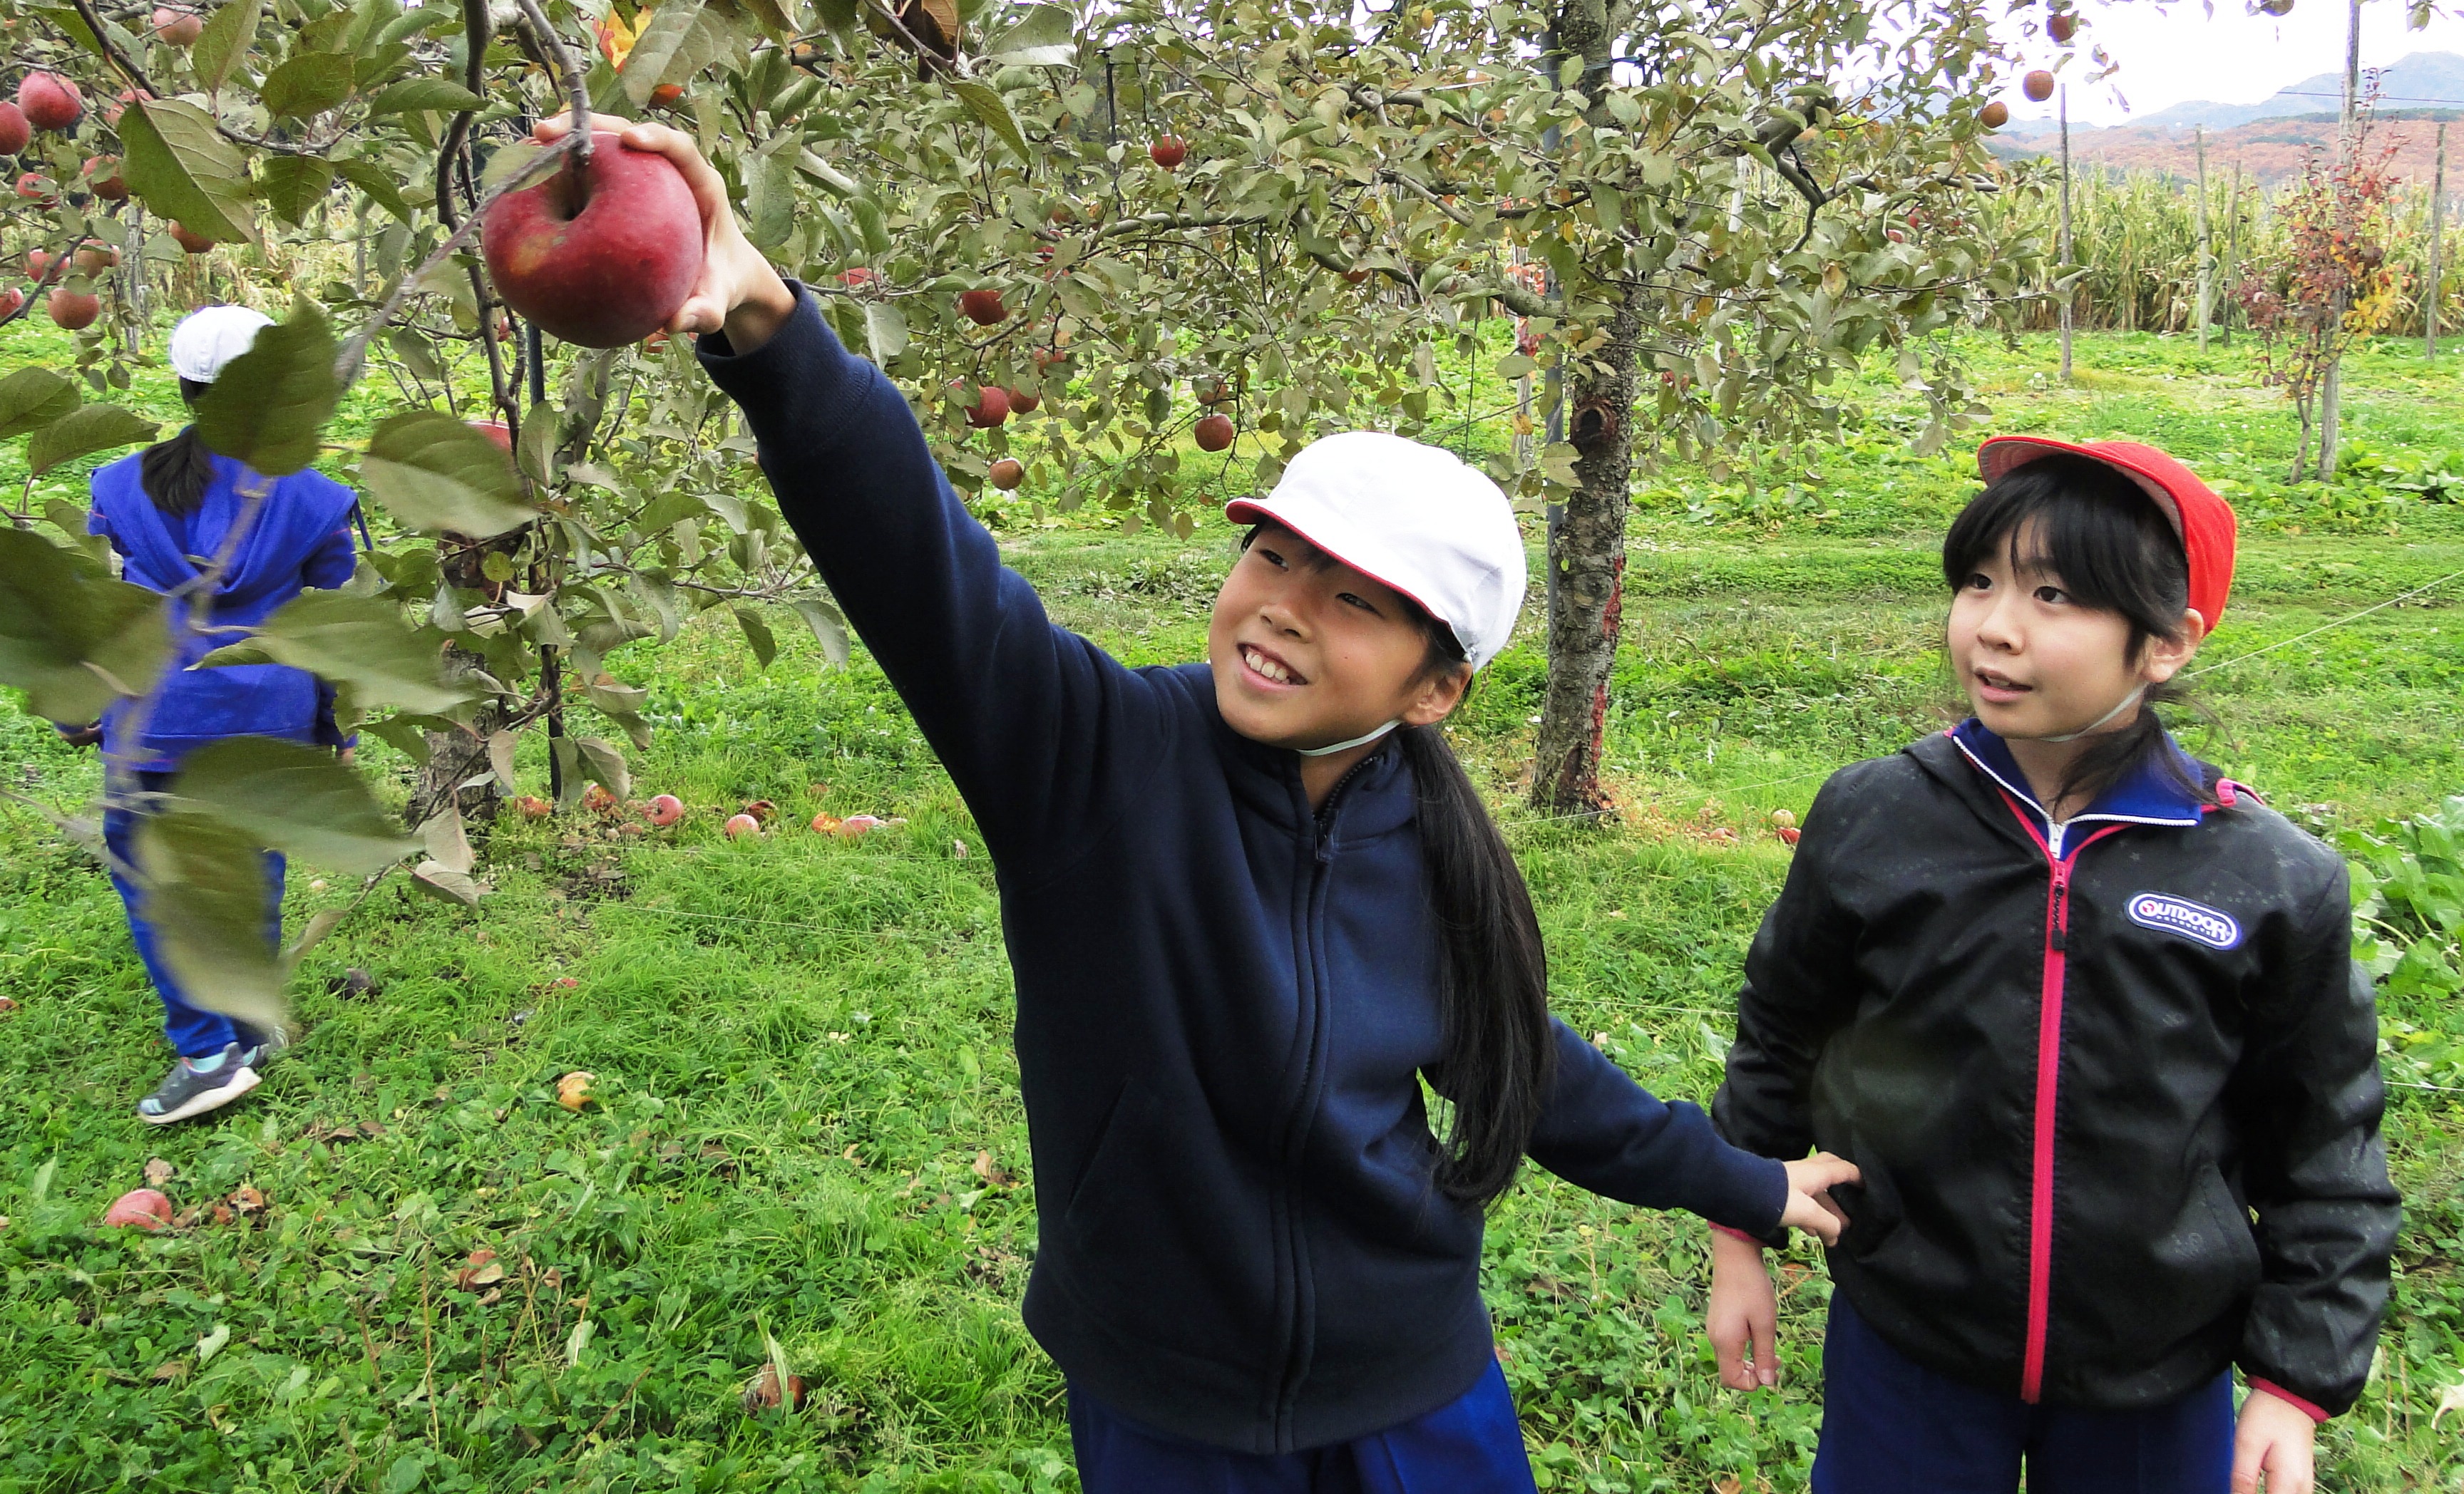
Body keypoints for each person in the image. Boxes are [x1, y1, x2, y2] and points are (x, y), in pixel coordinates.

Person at [550, 113, 1859, 1489]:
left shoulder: (1434, 847)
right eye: (1274, 557)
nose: (1284, 608)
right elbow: (919, 563)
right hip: (1168, 1402)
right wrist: (768, 325)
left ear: (1433, 689)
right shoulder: (1094, 756)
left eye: (1354, 600)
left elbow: (1524, 1072)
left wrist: (1743, 1181)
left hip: (1417, 1381)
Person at [1707, 437, 2398, 1494]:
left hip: (2158, 1375)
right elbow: (1782, 1029)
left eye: (2055, 595)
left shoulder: (2266, 878)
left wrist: (2294, 1382)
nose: (1995, 625)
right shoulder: (1876, 817)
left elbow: (2324, 1139)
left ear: (2167, 644)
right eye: (1980, 581)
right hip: (1910, 1344)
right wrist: (1737, 1228)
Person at [80, 306, 361, 1125]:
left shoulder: (120, 486)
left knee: (160, 887)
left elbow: (104, 613)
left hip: (158, 719)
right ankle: (246, 1024)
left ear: (185, 388)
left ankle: (208, 1056)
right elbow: (333, 626)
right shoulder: (317, 498)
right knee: (250, 875)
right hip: (270, 719)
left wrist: (79, 710)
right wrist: (337, 729)